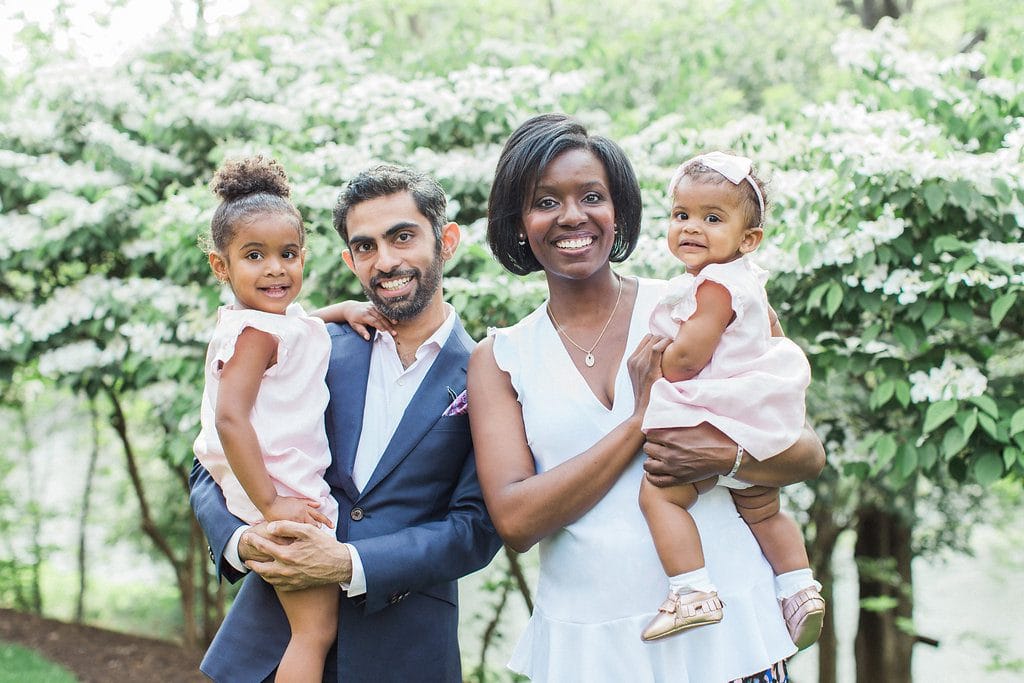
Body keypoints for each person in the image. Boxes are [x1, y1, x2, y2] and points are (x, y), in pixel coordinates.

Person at [468, 114, 825, 683]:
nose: (572, 216)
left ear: (620, 212)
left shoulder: (705, 305)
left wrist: (725, 457)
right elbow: (515, 520)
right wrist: (641, 418)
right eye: (544, 201)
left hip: (732, 640)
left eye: (592, 196)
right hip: (593, 652)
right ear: (517, 222)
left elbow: (806, 452)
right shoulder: (501, 358)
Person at [190, 164, 502, 683]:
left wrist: (349, 564)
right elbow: (211, 456)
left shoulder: (488, 374)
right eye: (365, 246)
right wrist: (239, 542)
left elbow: (475, 528)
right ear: (349, 259)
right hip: (270, 645)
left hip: (403, 653)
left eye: (403, 237)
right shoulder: (305, 347)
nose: (386, 260)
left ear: (446, 241)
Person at [193, 155, 391, 682]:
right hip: (277, 490)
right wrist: (271, 504)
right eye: (254, 256)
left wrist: (342, 310)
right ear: (221, 266)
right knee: (313, 632)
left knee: (311, 629)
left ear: (304, 256)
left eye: (287, 254)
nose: (275, 268)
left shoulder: (273, 323)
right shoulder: (254, 336)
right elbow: (231, 420)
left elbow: (302, 325)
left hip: (283, 484)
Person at [636, 151, 824, 647]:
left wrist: (662, 361)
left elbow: (686, 361)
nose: (692, 228)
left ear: (749, 239)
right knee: (761, 506)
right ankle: (800, 589)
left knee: (660, 494)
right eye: (682, 215)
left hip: (717, 411)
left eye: (712, 218)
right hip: (752, 414)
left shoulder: (715, 286)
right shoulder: (747, 281)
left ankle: (692, 590)